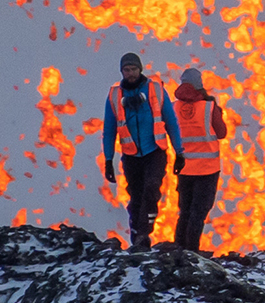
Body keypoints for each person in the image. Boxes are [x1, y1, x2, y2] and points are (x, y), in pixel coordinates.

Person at [100, 51, 181, 250]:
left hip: (155, 151)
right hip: (131, 155)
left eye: (133, 69)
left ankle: (145, 232)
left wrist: (180, 152)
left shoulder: (156, 89)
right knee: (135, 196)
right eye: (126, 70)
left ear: (140, 68)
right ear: (121, 72)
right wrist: (108, 160)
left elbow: (171, 121)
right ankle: (137, 235)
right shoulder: (114, 95)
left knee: (151, 189)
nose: (130, 73)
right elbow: (109, 130)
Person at [171, 66, 236, 253]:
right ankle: (192, 251)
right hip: (207, 169)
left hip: (184, 167)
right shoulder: (209, 107)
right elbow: (222, 133)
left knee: (184, 211)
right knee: (198, 213)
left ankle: (179, 249)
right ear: (200, 84)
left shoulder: (174, 107)